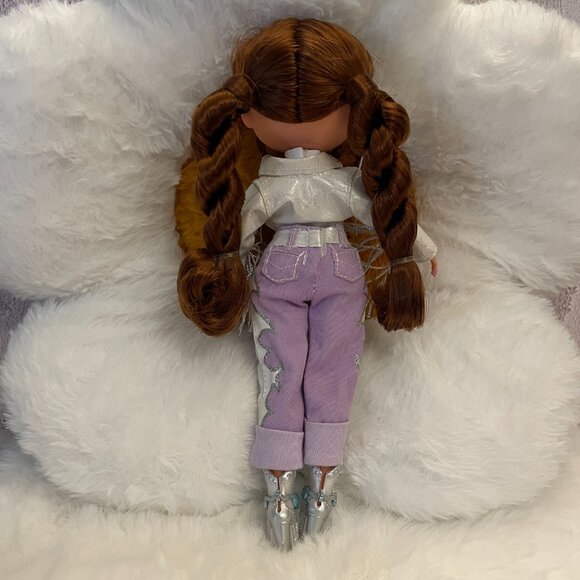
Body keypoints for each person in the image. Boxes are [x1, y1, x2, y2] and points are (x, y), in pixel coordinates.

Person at [177, 17, 438, 551]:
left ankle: (282, 492)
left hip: (283, 268)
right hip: (338, 268)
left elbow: (237, 232)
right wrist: (421, 250)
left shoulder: (271, 186)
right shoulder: (333, 183)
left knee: (283, 373)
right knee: (328, 373)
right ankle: (319, 488)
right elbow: (383, 216)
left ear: (246, 114)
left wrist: (223, 266)